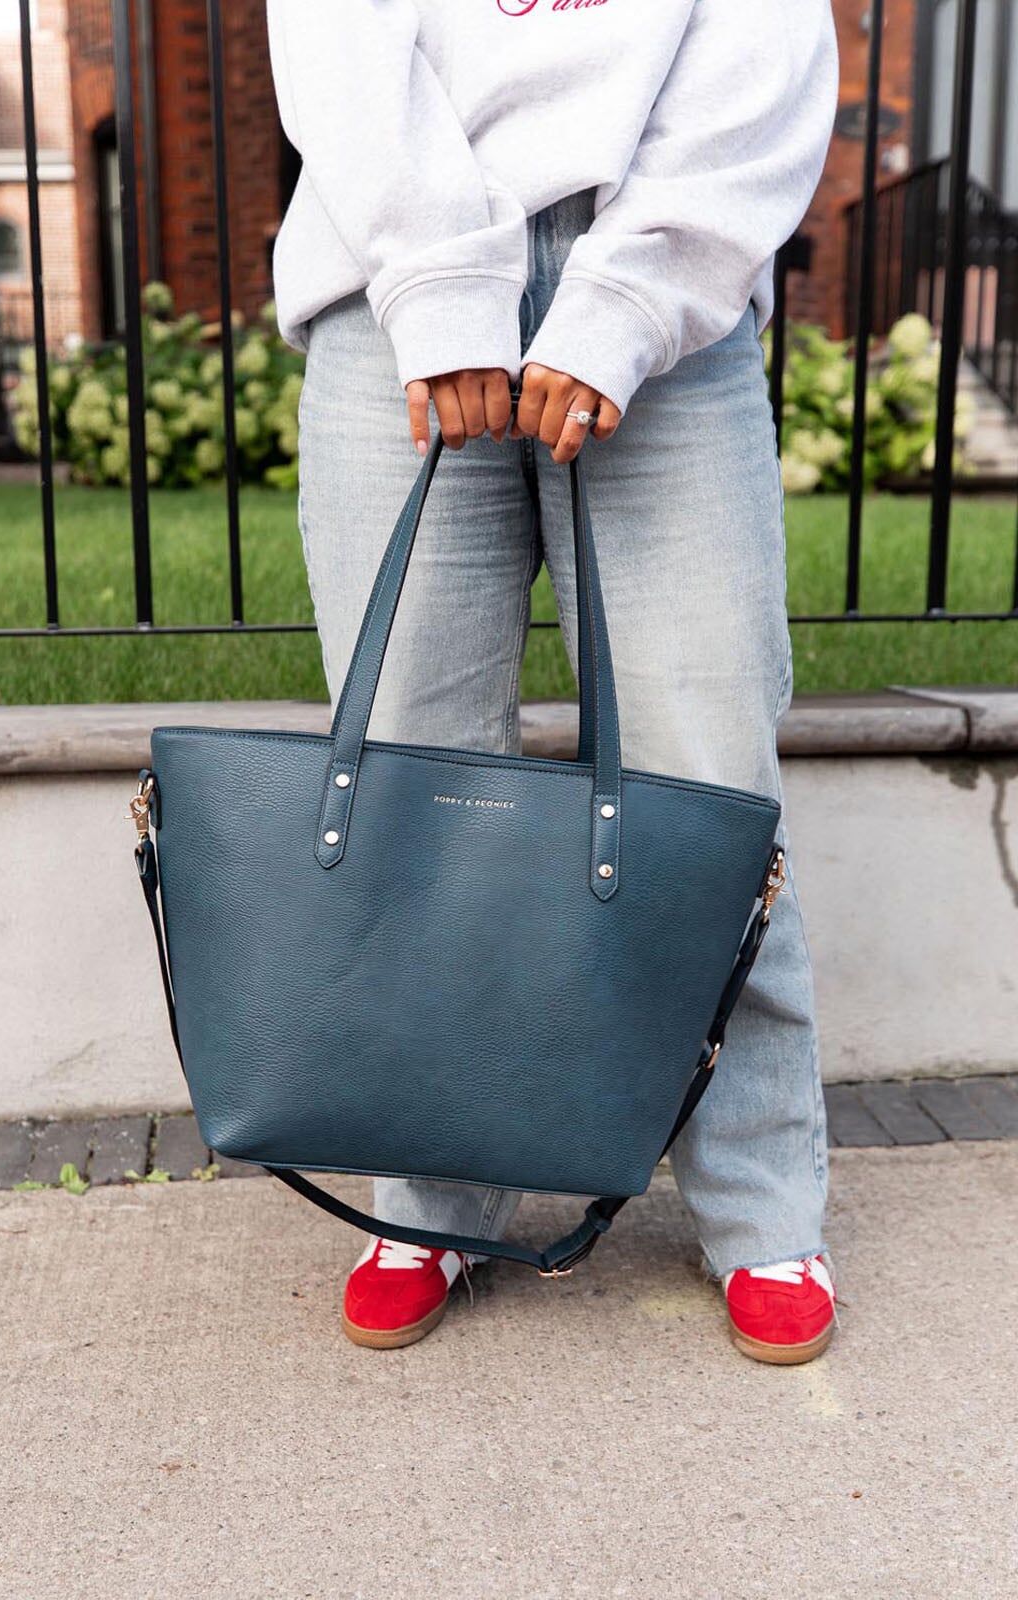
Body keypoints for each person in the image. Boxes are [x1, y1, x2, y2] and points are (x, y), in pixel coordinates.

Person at [265, 0, 840, 1364]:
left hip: (668, 260)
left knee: (706, 782)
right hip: (385, 268)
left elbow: (763, 42)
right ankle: (427, 1195)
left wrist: (631, 293)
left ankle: (761, 1204)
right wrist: (439, 279)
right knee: (410, 771)